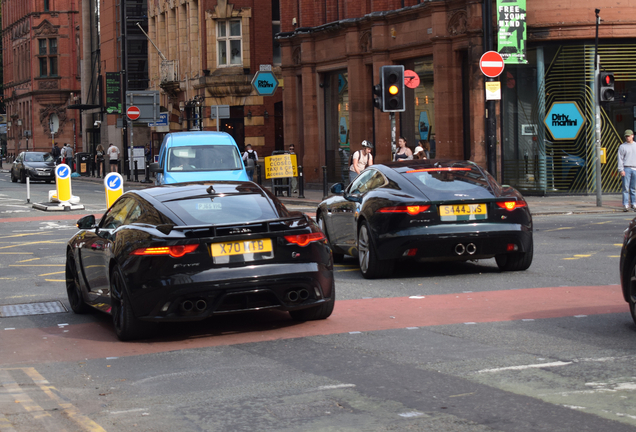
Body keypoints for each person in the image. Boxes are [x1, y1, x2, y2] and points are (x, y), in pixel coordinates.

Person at [618, 129, 636, 211]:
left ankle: (634, 203)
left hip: (635, 168)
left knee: (634, 188)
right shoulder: (622, 147)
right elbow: (620, 159)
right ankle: (625, 204)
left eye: (628, 136)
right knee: (625, 188)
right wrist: (621, 170)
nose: (627, 138)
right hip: (626, 168)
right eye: (626, 136)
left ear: (632, 136)